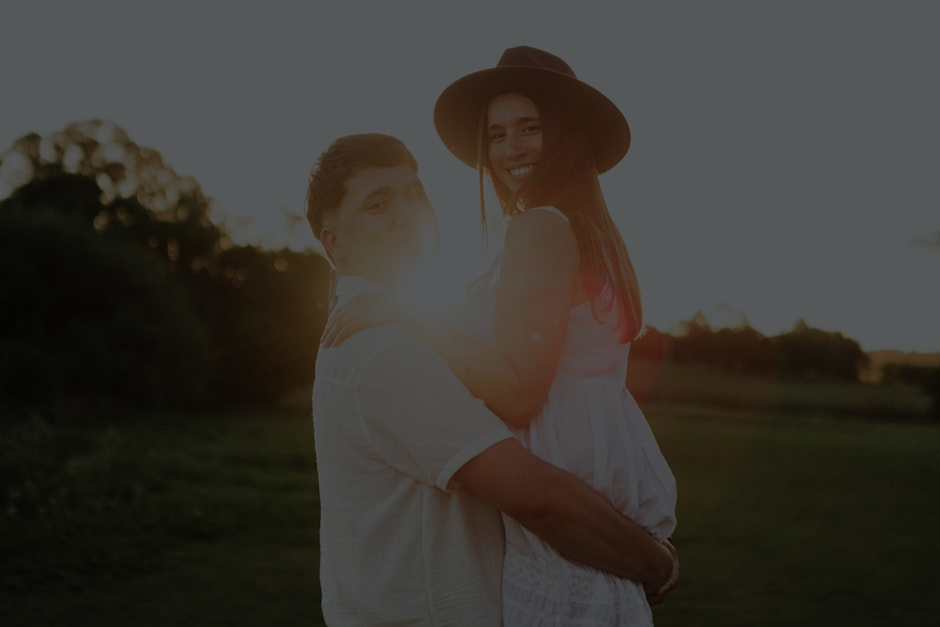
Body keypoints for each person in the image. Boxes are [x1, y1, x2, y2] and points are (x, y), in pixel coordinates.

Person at [322, 47, 678, 625]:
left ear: (563, 132)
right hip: (582, 499)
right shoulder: (585, 229)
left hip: (557, 506)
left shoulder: (540, 227)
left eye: (529, 127)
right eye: (496, 134)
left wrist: (416, 316)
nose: (511, 149)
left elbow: (518, 393)